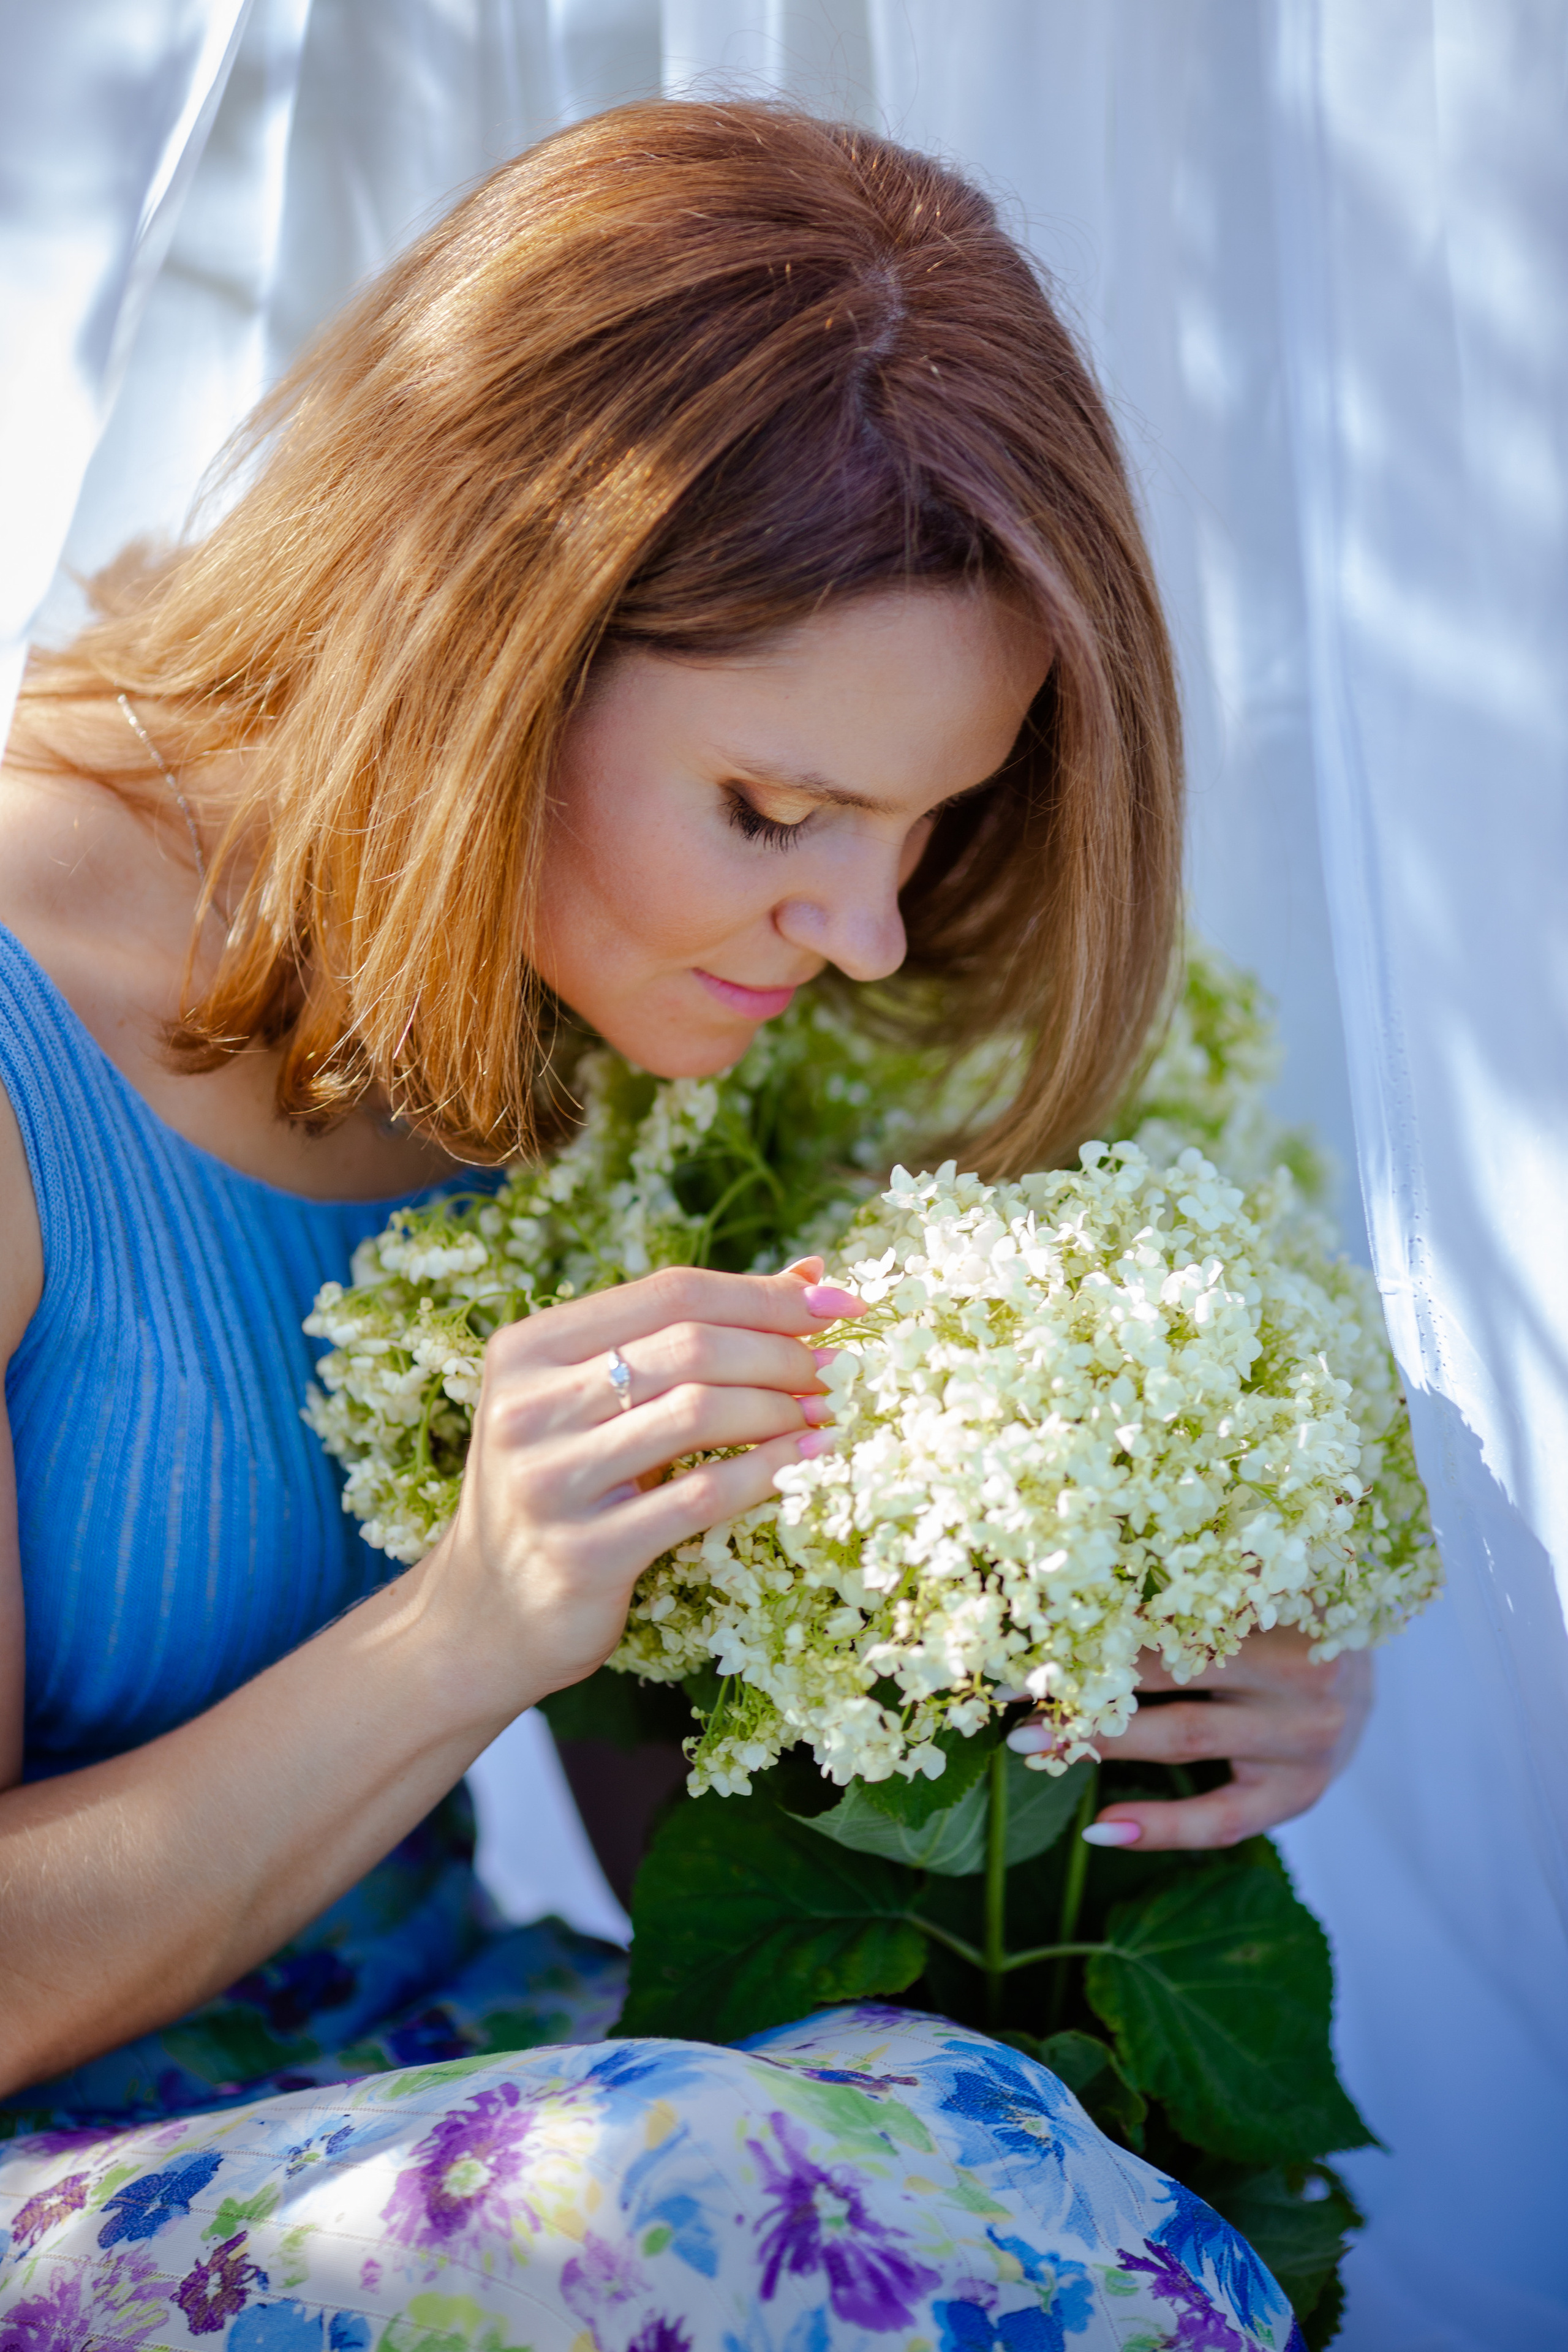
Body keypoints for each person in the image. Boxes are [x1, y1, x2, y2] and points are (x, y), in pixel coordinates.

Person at [0, 99, 1363, 2350]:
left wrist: (1114, 1680)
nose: (856, 930)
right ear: (486, 663)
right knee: (712, 2195)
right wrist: (463, 1627)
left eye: (924, 827)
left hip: (448, 2070)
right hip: (95, 2162)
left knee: (985, 2141)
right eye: (777, 810)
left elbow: (681, 1874)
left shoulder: (607, 996)